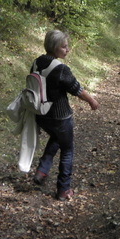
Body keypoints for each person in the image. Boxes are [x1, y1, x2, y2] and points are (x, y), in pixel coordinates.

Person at [32, 30, 99, 201]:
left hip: (41, 114)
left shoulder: (37, 62)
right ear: (54, 47)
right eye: (64, 47)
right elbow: (76, 89)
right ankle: (63, 189)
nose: (67, 50)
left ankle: (42, 171)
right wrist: (91, 100)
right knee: (67, 149)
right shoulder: (60, 69)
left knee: (56, 138)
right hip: (60, 116)